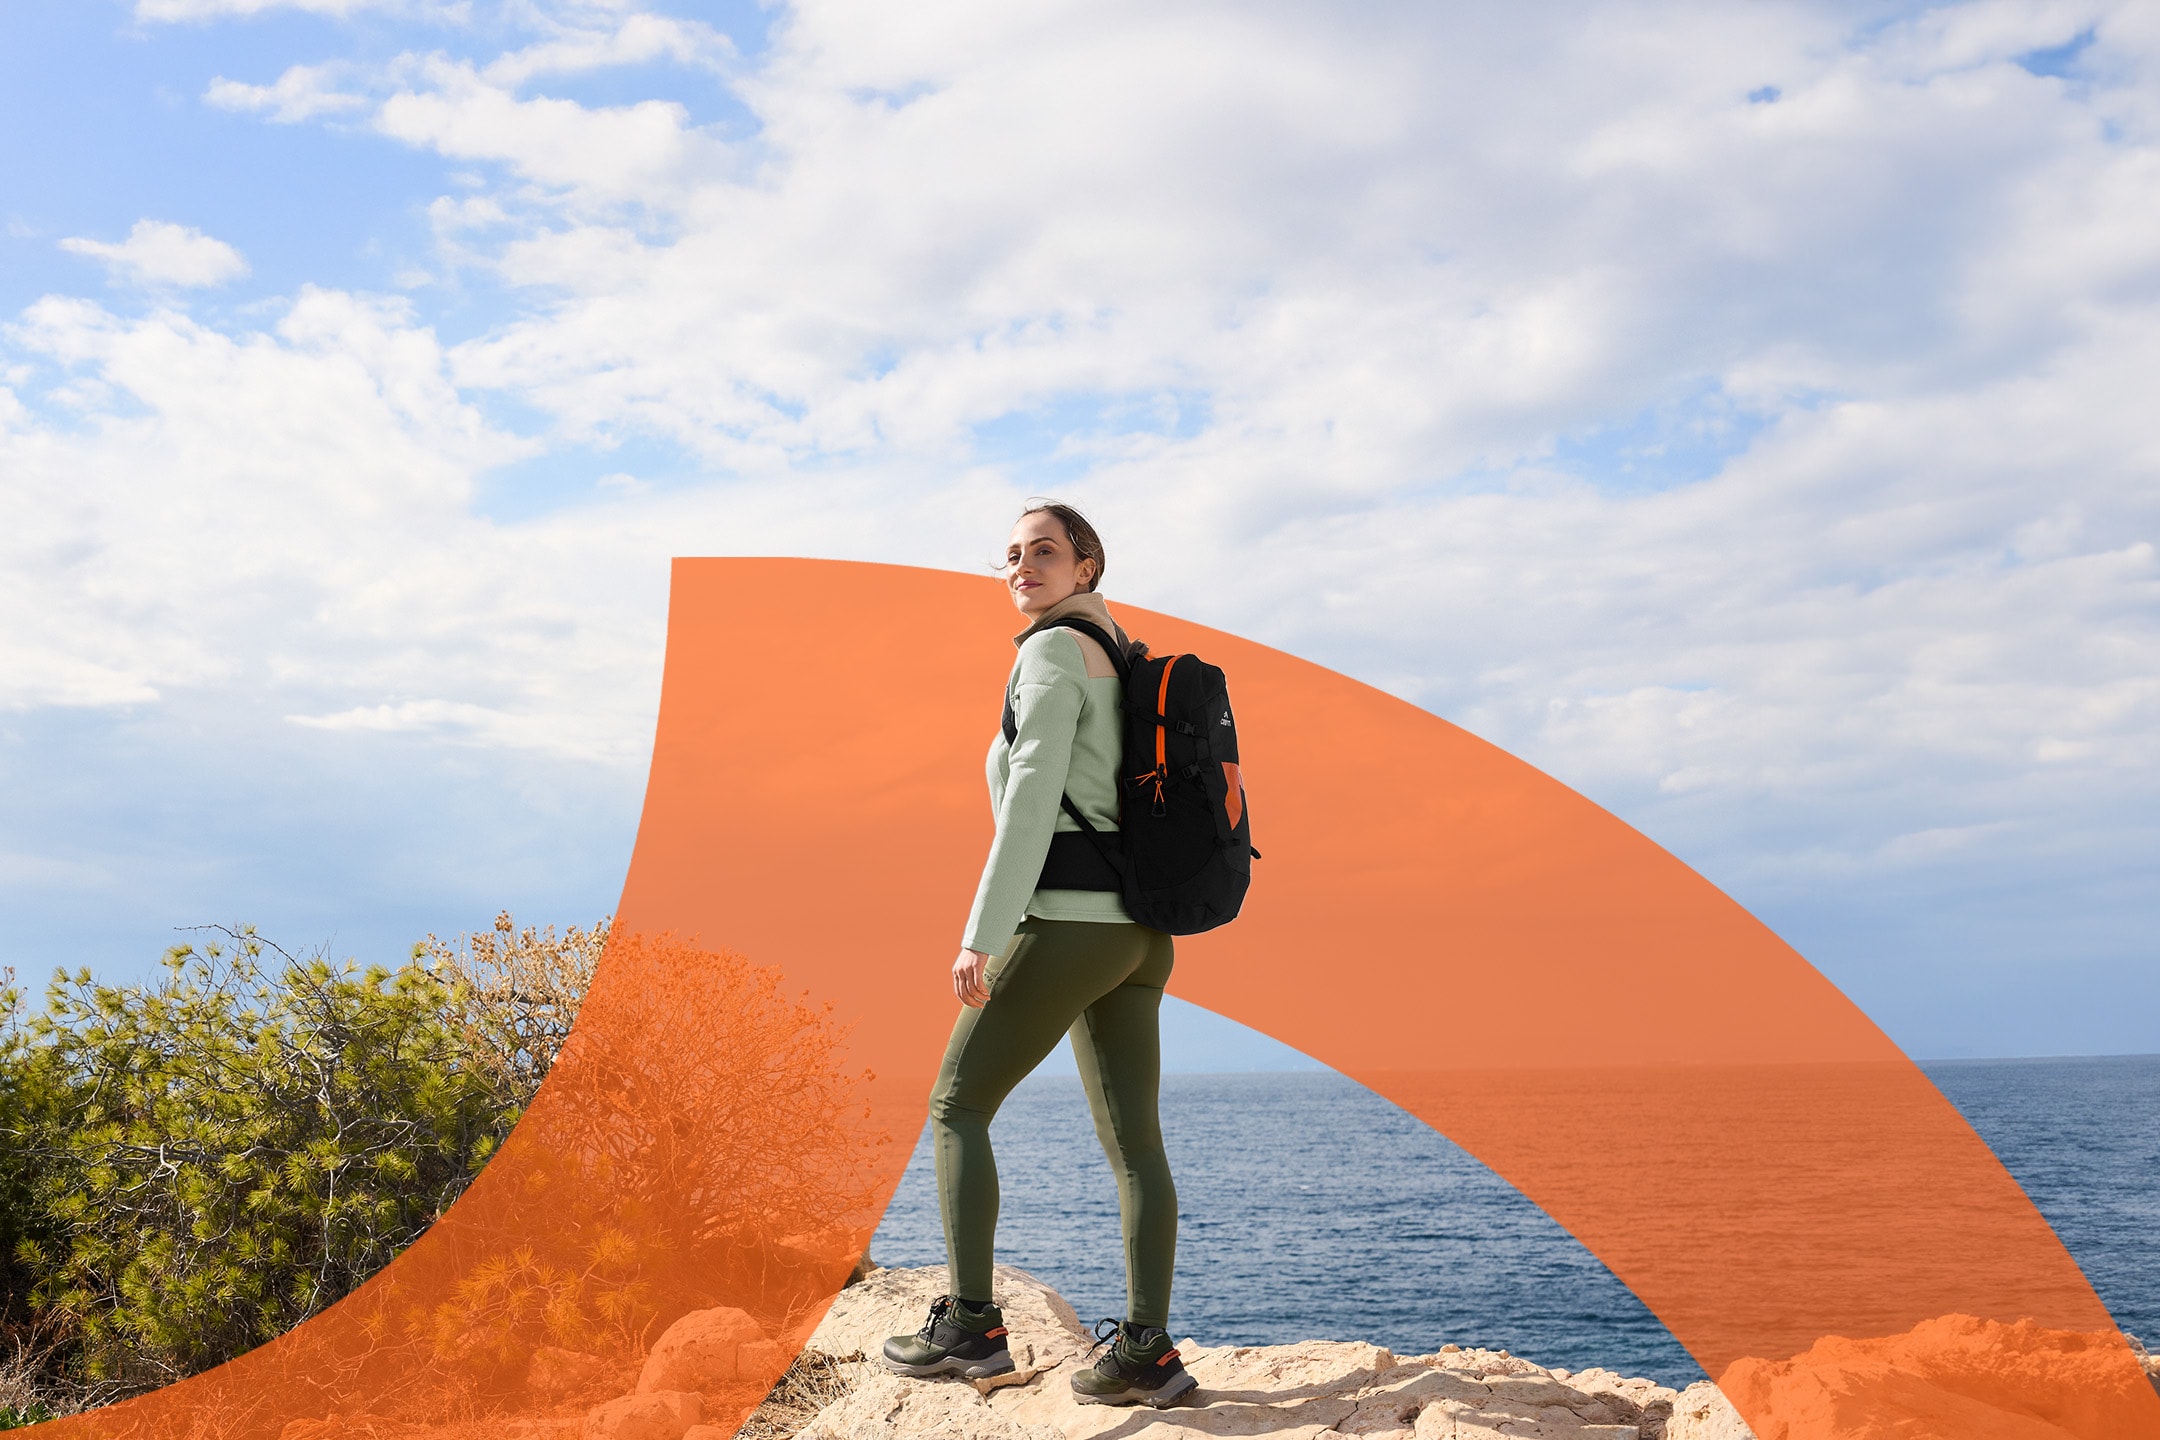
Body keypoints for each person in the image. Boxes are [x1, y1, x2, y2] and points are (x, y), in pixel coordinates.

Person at [880, 502, 1198, 1409]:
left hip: (1067, 924)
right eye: (1012, 555)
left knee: (956, 1106)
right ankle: (1148, 1352)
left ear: (1087, 566)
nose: (1024, 565)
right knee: (1136, 1145)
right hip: (1141, 937)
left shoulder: (1052, 654)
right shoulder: (1123, 659)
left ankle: (973, 1328)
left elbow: (1030, 800)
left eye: (1045, 552)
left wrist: (983, 932)